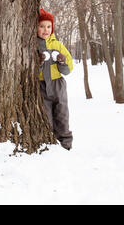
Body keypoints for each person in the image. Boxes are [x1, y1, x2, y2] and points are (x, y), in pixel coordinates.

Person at [37, 8, 73, 150]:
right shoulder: (33, 45)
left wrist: (62, 62)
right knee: (46, 118)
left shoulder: (58, 45)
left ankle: (66, 145)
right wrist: (39, 63)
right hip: (41, 86)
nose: (45, 30)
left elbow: (68, 69)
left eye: (48, 26)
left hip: (58, 85)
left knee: (62, 116)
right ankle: (48, 147)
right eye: (41, 26)